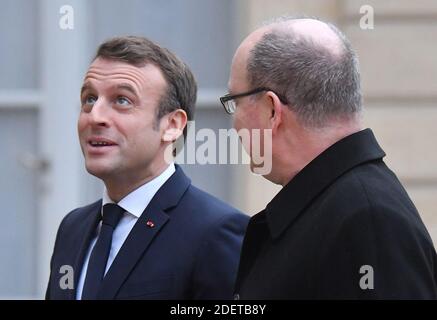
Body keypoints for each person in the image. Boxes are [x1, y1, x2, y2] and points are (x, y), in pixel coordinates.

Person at [221, 16, 437, 299]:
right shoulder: (338, 205)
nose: (234, 122)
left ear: (271, 109)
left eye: (235, 102)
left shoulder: (368, 220)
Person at [46, 36, 249, 300]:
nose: (95, 116)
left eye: (122, 100)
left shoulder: (216, 231)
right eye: (89, 99)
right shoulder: (72, 228)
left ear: (173, 125)